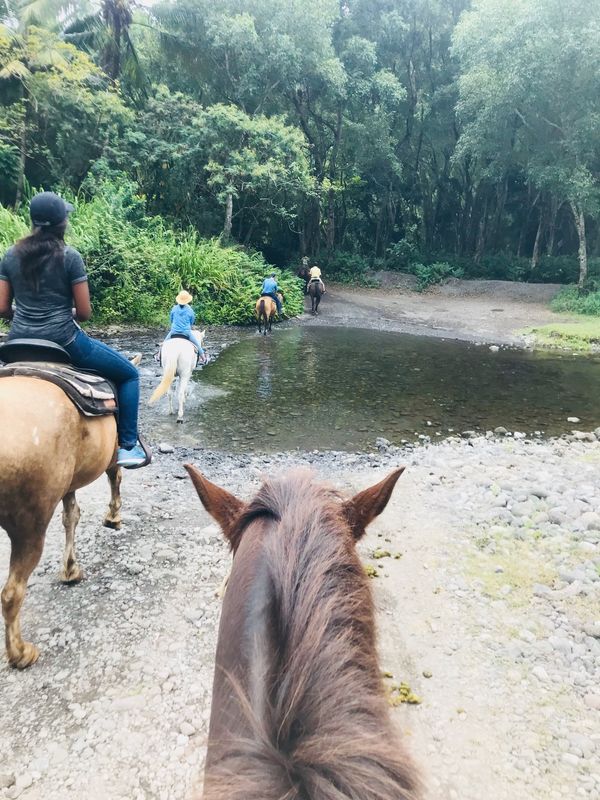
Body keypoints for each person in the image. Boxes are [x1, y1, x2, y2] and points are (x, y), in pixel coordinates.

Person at [0, 191, 150, 469]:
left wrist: (21, 314)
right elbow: (84, 313)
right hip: (63, 340)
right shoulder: (70, 257)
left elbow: (2, 307)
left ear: (33, 221)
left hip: (17, 340)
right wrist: (64, 312)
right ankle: (127, 446)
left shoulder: (10, 255)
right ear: (61, 223)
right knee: (129, 374)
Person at [165, 290, 206, 362]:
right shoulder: (190, 310)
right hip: (186, 333)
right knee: (197, 344)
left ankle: (158, 356)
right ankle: (204, 358)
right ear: (187, 300)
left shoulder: (174, 308)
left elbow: (171, 319)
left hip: (174, 332)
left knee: (164, 344)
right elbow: (192, 321)